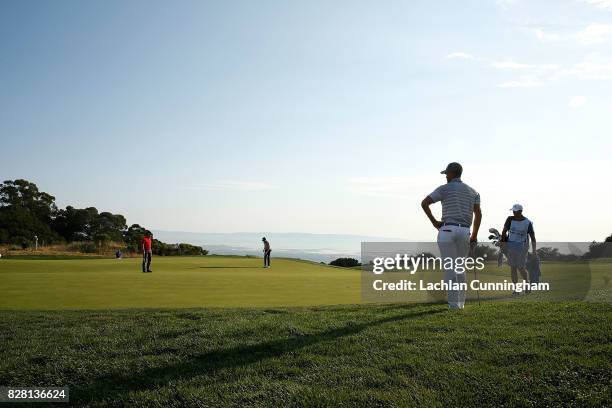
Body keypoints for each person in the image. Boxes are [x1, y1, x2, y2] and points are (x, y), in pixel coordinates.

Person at [421, 162, 482, 310]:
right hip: (465, 231)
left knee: (450, 268)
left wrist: (434, 222)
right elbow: (478, 214)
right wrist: (474, 235)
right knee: (460, 268)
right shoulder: (473, 191)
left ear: (451, 174)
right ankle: (460, 304)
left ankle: (454, 305)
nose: (445, 177)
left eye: (446, 174)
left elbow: (424, 203)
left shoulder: (444, 189)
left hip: (447, 230)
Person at [501, 204, 536, 295]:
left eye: (515, 211)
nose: (513, 212)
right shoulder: (510, 219)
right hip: (511, 246)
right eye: (513, 211)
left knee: (521, 267)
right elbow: (504, 231)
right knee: (513, 267)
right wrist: (503, 243)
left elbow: (533, 237)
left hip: (522, 247)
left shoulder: (527, 222)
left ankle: (527, 283)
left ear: (520, 211)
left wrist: (534, 251)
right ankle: (516, 289)